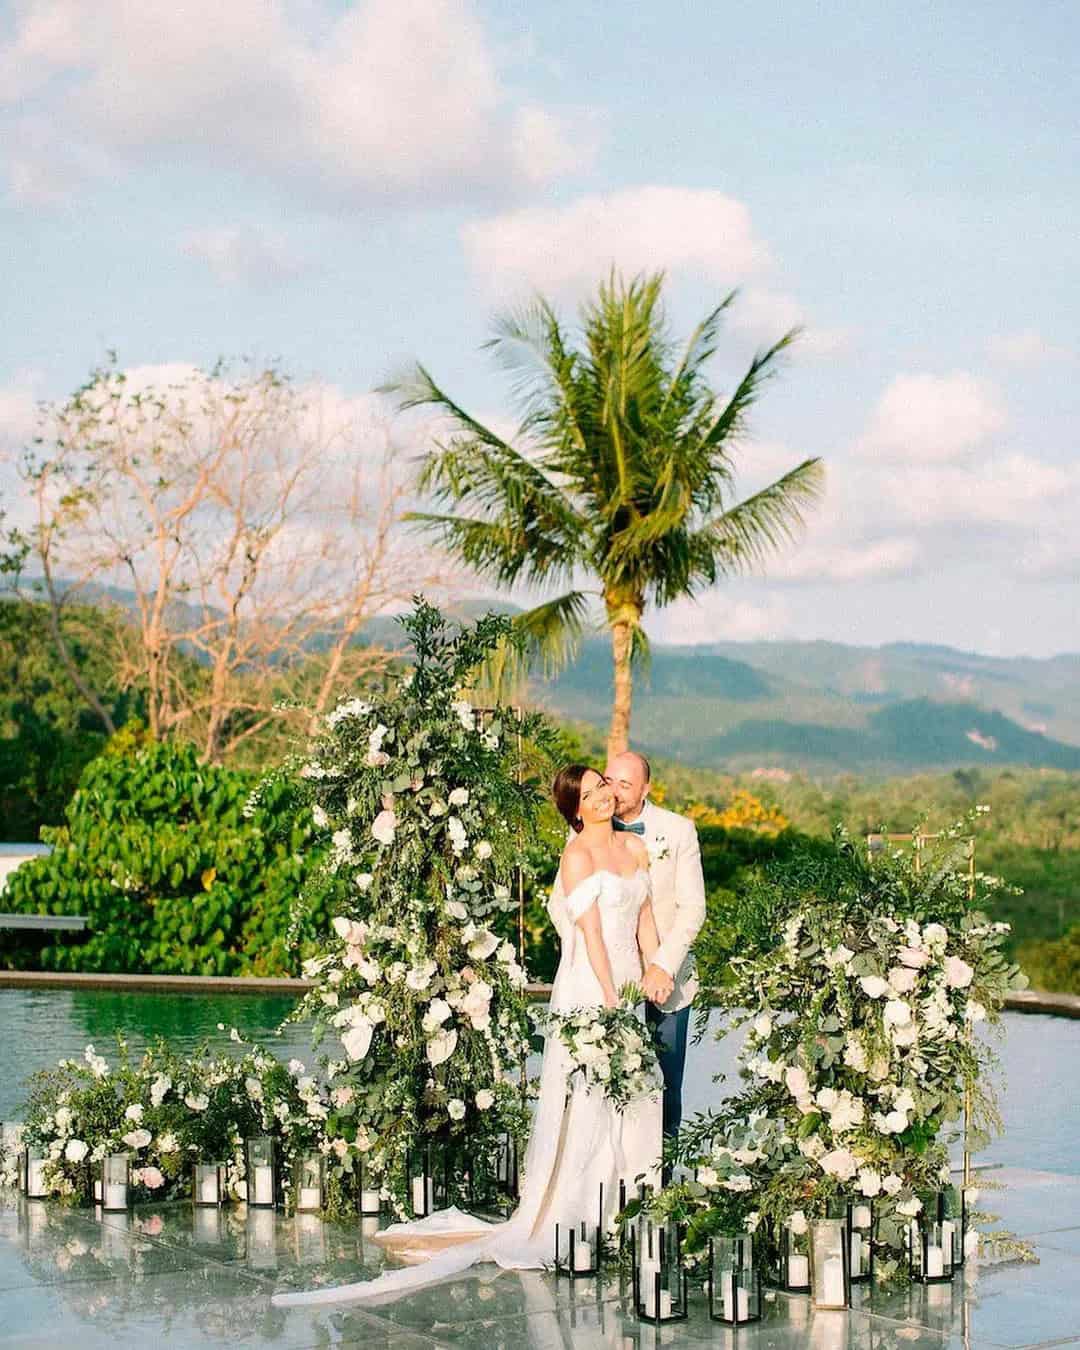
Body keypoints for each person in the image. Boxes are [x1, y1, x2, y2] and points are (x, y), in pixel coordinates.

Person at [273, 764, 663, 1308]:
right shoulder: (576, 857)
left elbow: (644, 921)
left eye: (604, 787)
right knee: (590, 1099)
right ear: (576, 809)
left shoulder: (636, 850)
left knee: (638, 1094)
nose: (602, 795)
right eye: (592, 791)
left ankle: (639, 1211)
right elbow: (591, 934)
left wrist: (655, 969)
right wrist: (610, 999)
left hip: (628, 987)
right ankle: (581, 1217)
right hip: (592, 988)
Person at [550, 750, 706, 1140]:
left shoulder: (679, 830)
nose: (613, 791)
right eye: (608, 780)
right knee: (599, 1087)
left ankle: (661, 1185)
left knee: (664, 1088)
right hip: (605, 976)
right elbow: (560, 906)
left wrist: (661, 966)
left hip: (665, 979)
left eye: (624, 784)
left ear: (646, 789)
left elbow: (692, 909)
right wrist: (586, 960)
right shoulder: (582, 835)